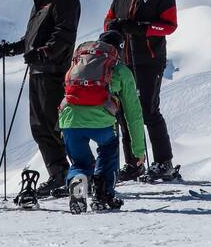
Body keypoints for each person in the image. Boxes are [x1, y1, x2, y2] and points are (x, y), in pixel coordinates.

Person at [0, 0, 81, 196]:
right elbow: (34, 36)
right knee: (40, 127)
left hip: (54, 72)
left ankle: (79, 174)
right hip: (38, 71)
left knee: (57, 127)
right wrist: (15, 48)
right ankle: (59, 174)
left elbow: (64, 35)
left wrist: (43, 52)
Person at [103, 0, 178, 182]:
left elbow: (169, 26)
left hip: (150, 59)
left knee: (148, 110)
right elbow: (109, 19)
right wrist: (113, 28)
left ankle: (163, 163)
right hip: (124, 60)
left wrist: (141, 28)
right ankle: (134, 163)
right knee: (124, 111)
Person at [59, 30, 146, 213]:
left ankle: (78, 180)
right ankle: (103, 195)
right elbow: (134, 114)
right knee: (108, 151)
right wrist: (138, 150)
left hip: (70, 121)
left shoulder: (79, 62)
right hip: (102, 123)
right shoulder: (121, 70)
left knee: (80, 164)